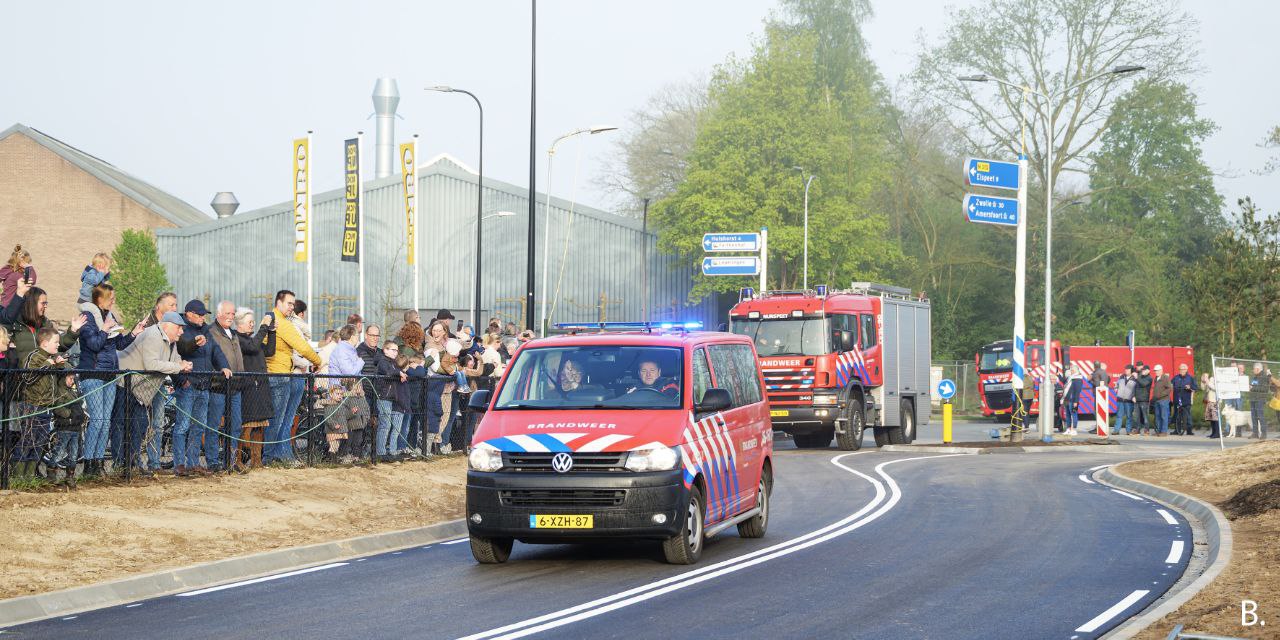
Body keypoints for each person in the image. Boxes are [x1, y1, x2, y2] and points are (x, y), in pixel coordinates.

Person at [78, 284, 142, 477]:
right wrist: (105, 330)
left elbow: (119, 344)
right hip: (93, 373)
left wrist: (133, 333)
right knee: (97, 420)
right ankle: (88, 463)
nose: (113, 301)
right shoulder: (88, 318)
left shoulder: (110, 316)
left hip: (110, 374)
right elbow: (93, 344)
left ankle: (98, 463)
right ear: (100, 299)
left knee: (106, 422)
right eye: (110, 298)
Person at [115, 312, 191, 474]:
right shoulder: (153, 335)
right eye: (179, 328)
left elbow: (175, 359)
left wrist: (183, 364)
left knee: (140, 426)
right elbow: (152, 364)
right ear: (167, 326)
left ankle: (133, 464)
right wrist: (179, 367)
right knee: (122, 426)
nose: (181, 331)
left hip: (140, 391)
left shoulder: (171, 341)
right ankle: (120, 466)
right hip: (124, 385)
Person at [21, 327, 87, 486]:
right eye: (56, 342)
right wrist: (47, 364)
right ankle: (19, 477)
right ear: (44, 343)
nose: (58, 345)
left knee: (40, 443)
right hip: (33, 406)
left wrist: (59, 366)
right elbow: (27, 378)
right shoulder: (34, 356)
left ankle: (30, 476)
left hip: (46, 407)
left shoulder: (51, 358)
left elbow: (60, 381)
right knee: (28, 441)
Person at [264, 290, 321, 466]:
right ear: (279, 303)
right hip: (280, 375)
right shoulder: (282, 323)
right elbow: (302, 347)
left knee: (278, 419)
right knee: (278, 419)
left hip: (276, 373)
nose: (291, 307)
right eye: (289, 303)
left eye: (293, 304)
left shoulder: (270, 318)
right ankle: (269, 457)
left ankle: (272, 455)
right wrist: (318, 361)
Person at [233, 308, 276, 470]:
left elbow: (269, 351)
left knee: (260, 426)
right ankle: (238, 460)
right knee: (246, 426)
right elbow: (251, 347)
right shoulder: (237, 339)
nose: (253, 324)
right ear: (240, 324)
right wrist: (264, 327)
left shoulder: (252, 340)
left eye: (253, 322)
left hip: (260, 388)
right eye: (250, 322)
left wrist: (272, 331)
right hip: (247, 389)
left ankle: (256, 461)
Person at [208, 301, 247, 472]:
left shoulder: (234, 334)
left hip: (236, 385)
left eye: (233, 313)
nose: (231, 317)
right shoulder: (211, 332)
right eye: (228, 313)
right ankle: (212, 461)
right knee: (214, 424)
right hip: (218, 385)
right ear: (218, 314)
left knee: (236, 424)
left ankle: (230, 461)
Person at [373, 339, 406, 462]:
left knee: (386, 425)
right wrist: (399, 373)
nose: (395, 352)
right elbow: (388, 372)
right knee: (384, 425)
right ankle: (380, 453)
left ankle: (385, 451)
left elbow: (393, 373)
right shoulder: (383, 361)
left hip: (390, 397)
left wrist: (400, 374)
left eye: (397, 350)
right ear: (385, 350)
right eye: (393, 350)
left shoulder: (392, 362)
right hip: (383, 397)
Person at [1171, 364, 1198, 436]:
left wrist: (1190, 387)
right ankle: (1177, 430)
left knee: (1187, 416)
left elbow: (1195, 387)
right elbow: (1170, 385)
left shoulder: (1190, 378)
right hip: (1177, 399)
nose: (1181, 371)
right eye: (1180, 369)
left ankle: (1189, 431)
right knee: (1177, 415)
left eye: (1183, 369)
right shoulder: (1176, 377)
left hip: (1186, 399)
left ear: (1186, 370)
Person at [1060, 364, 1084, 436]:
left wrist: (1076, 401)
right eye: (1071, 370)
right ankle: (1068, 429)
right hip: (1067, 398)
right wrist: (1059, 376)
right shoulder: (1071, 377)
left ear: (1076, 370)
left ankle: (1074, 430)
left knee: (1073, 414)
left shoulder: (1078, 378)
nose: (1071, 371)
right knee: (1067, 415)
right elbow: (1064, 382)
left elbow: (1077, 391)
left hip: (1072, 399)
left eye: (1072, 370)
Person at [1247, 363, 1269, 439]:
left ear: (1258, 369)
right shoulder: (1254, 377)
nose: (1253, 370)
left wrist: (1252, 388)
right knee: (1253, 417)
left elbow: (1264, 389)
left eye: (1254, 369)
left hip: (1260, 399)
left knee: (1260, 416)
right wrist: (1249, 386)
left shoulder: (1264, 377)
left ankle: (1264, 433)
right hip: (1253, 399)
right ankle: (1255, 433)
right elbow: (1253, 385)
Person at [1113, 365, 1137, 435]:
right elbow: (1116, 385)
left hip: (1129, 400)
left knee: (1129, 416)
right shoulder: (1121, 377)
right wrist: (1116, 389)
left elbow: (1137, 388)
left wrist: (1134, 396)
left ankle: (1128, 431)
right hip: (1120, 400)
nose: (1126, 370)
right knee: (1119, 416)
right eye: (1125, 369)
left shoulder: (1134, 378)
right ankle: (1116, 430)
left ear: (1131, 371)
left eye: (1128, 369)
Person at [1150, 364, 1172, 437]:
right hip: (1157, 400)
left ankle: (1164, 432)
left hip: (1164, 400)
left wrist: (1161, 394)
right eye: (1155, 371)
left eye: (1157, 370)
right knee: (1158, 416)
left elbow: (1169, 388)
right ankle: (1159, 431)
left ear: (1161, 370)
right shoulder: (1156, 378)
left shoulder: (1165, 378)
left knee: (1164, 416)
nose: (1156, 372)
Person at [1133, 364, 1153, 436]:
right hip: (1137, 399)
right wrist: (1133, 396)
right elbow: (1135, 387)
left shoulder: (1149, 378)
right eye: (1142, 370)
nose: (1143, 371)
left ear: (1148, 371)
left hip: (1144, 400)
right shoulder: (1140, 377)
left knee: (1145, 416)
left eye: (1144, 370)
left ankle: (1146, 430)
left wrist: (1137, 378)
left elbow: (1143, 384)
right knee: (1137, 416)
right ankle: (1137, 430)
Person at [1202, 373, 1220, 439]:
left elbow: (1216, 388)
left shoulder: (1217, 379)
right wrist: (1203, 382)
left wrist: (1208, 382)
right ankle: (1213, 432)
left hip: (1215, 401)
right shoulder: (1211, 379)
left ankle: (1217, 433)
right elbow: (1204, 389)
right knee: (1211, 417)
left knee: (1215, 417)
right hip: (1209, 400)